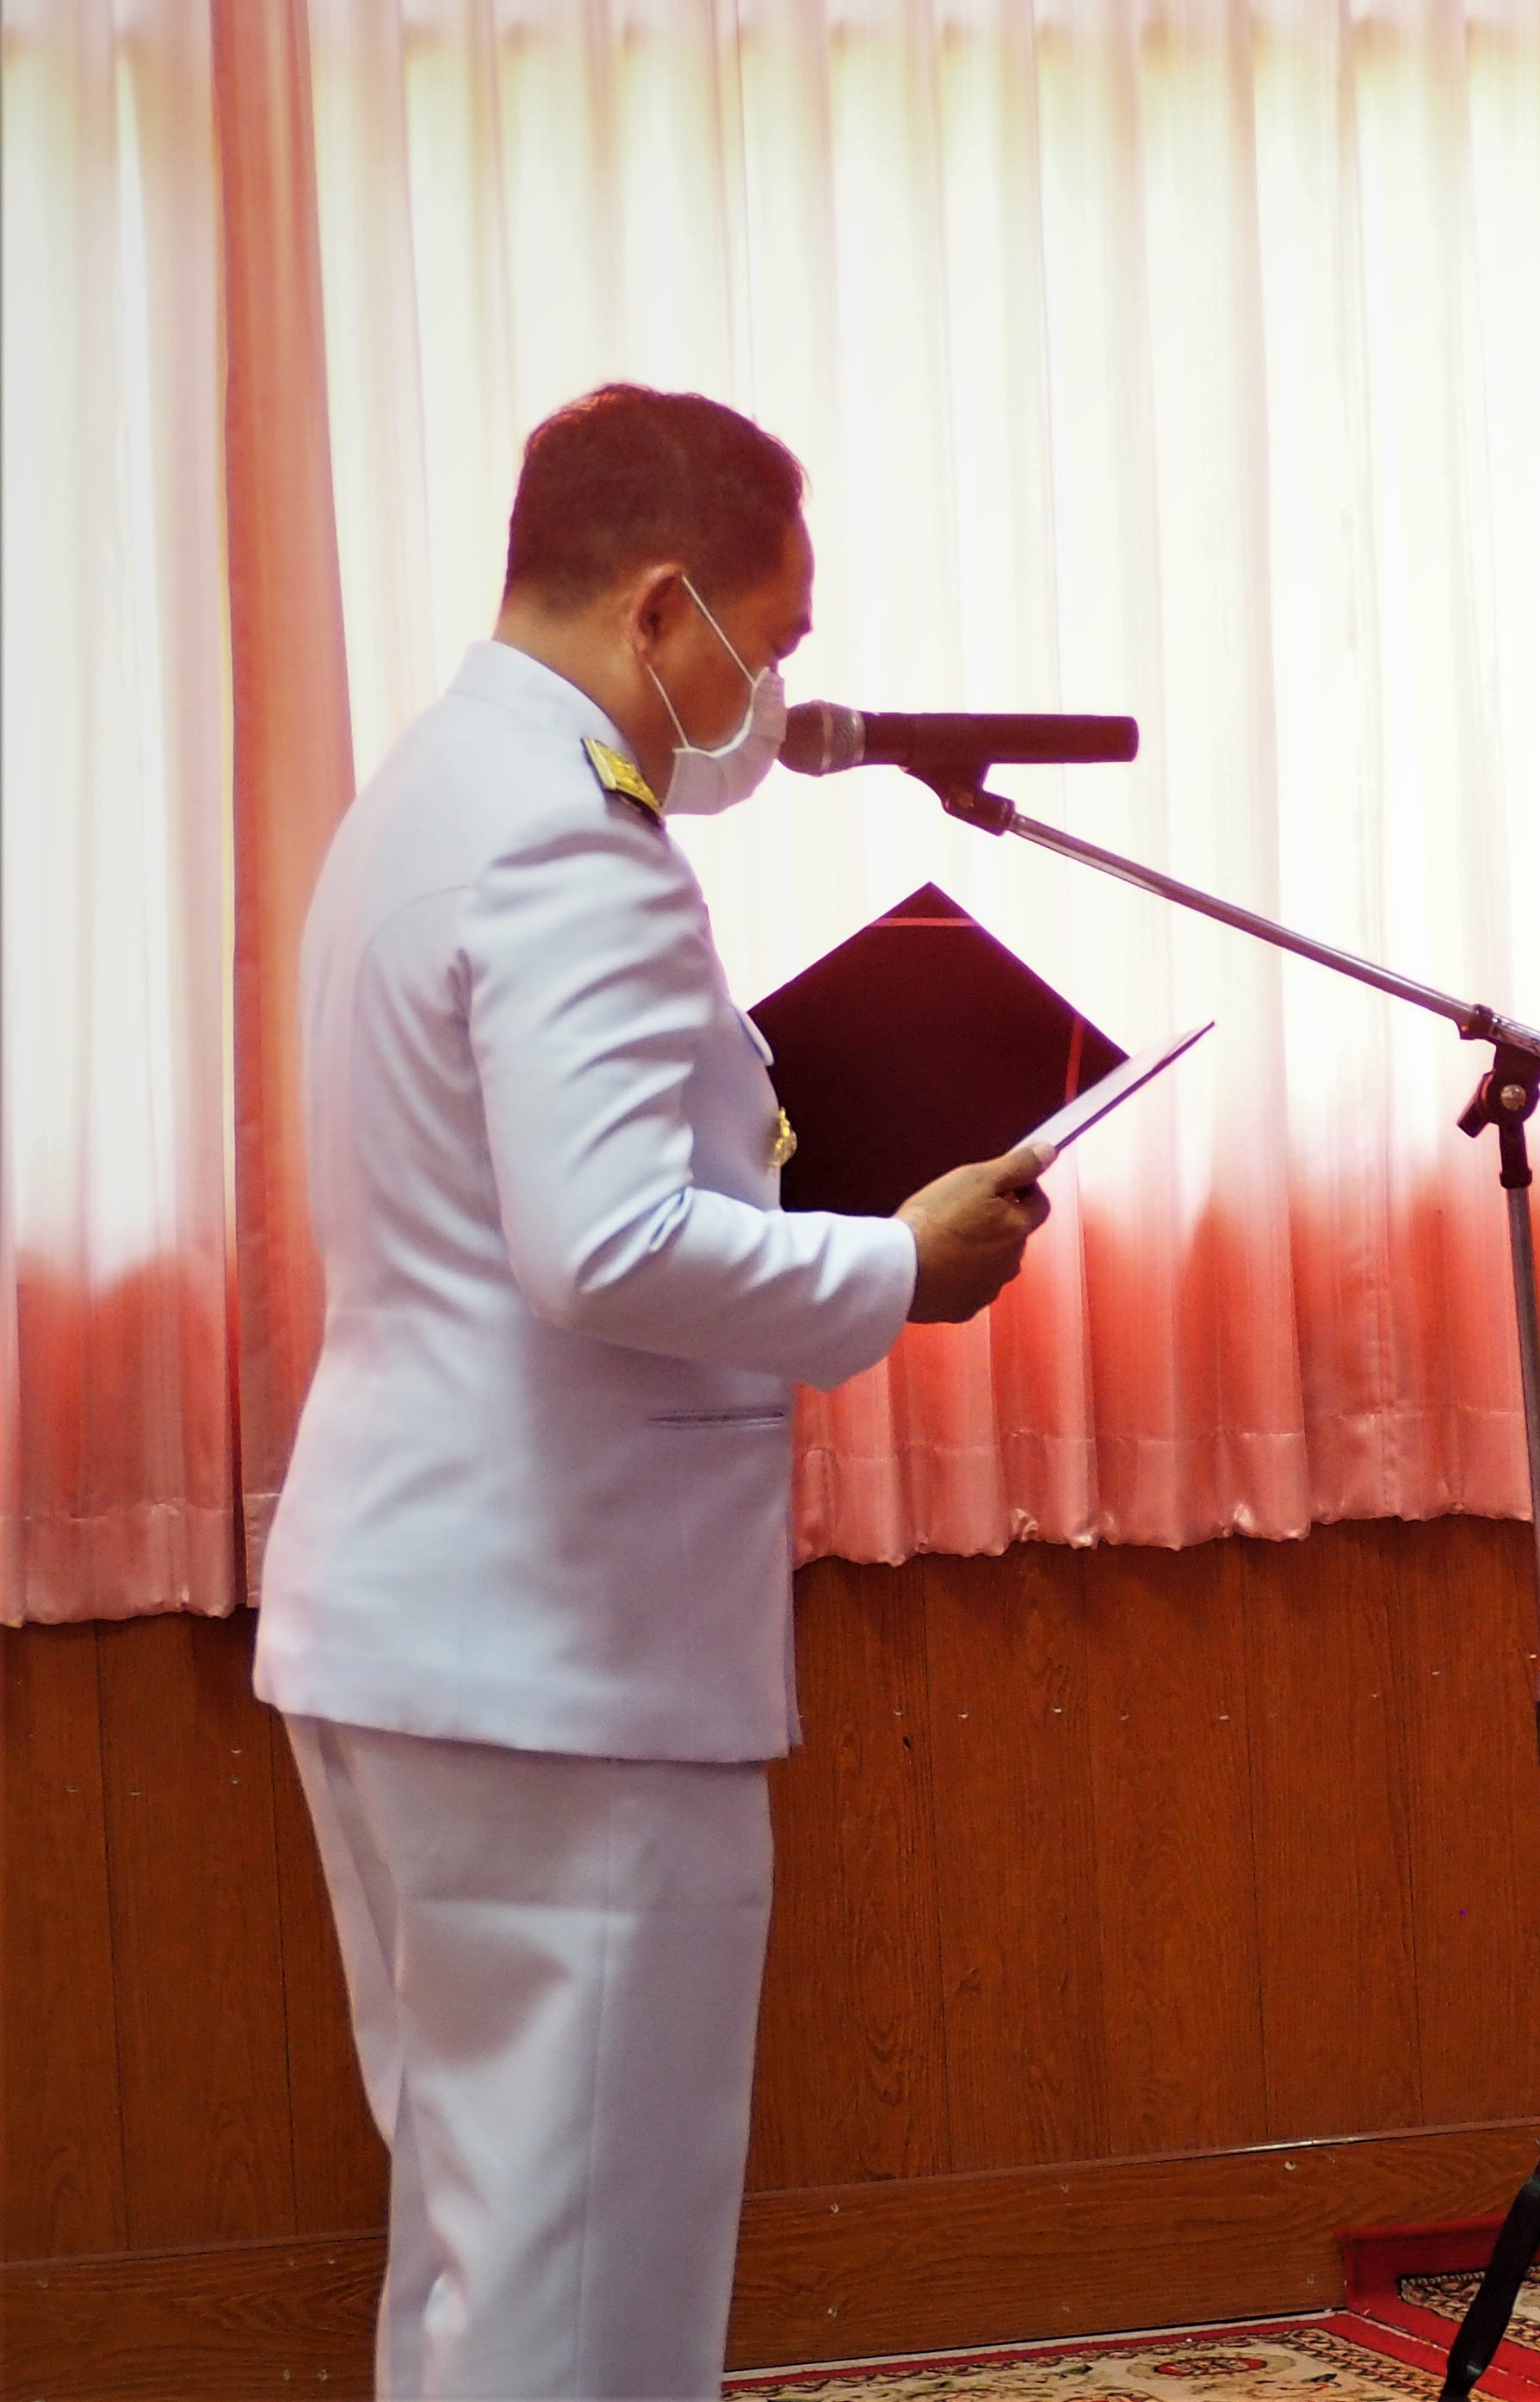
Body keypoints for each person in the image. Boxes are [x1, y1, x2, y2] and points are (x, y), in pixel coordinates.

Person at [253, 385, 1054, 2401]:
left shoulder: (429, 792)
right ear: (665, 604)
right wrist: (897, 1261)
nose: (768, 703)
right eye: (766, 653)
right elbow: (600, 1243)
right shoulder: (571, 839)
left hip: (421, 1622)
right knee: (586, 2286)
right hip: (558, 1654)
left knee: (484, 2243)